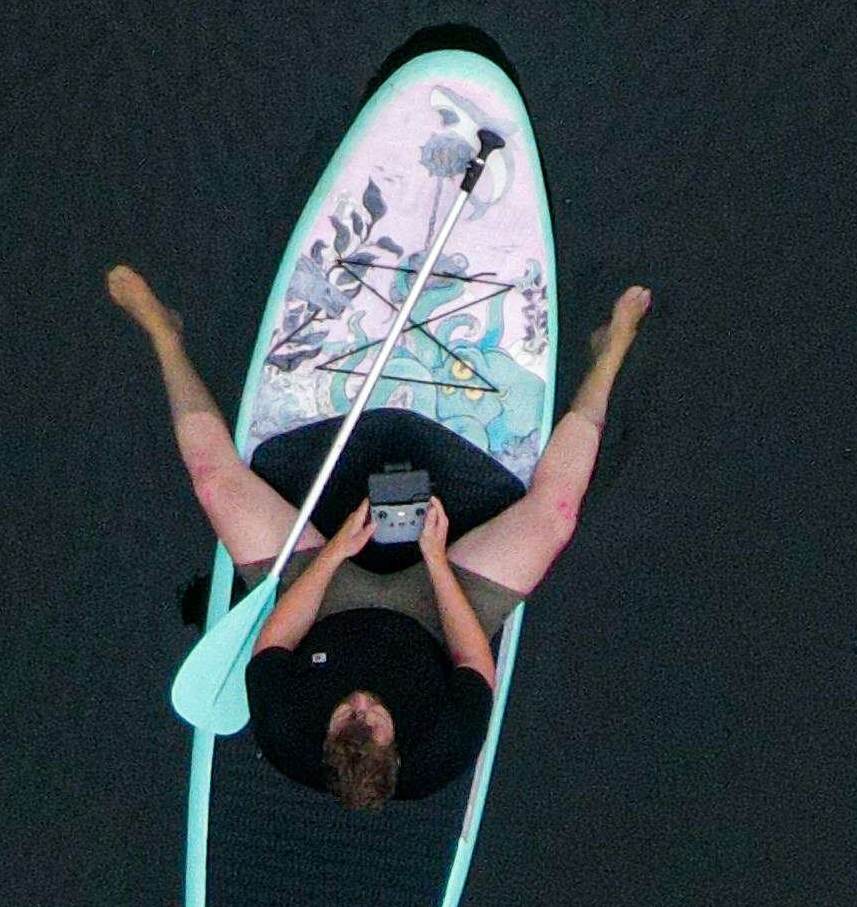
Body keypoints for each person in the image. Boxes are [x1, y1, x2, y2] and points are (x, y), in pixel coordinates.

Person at [105, 258, 654, 813]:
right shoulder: (443, 748)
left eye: (348, 715)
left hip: (322, 611)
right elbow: (471, 662)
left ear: (326, 738)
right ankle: (607, 356)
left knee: (214, 485)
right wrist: (437, 561)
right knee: (557, 515)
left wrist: (335, 551)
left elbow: (274, 641)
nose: (362, 699)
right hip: (434, 627)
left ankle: (165, 336)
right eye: (375, 717)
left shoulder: (285, 730)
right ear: (398, 745)